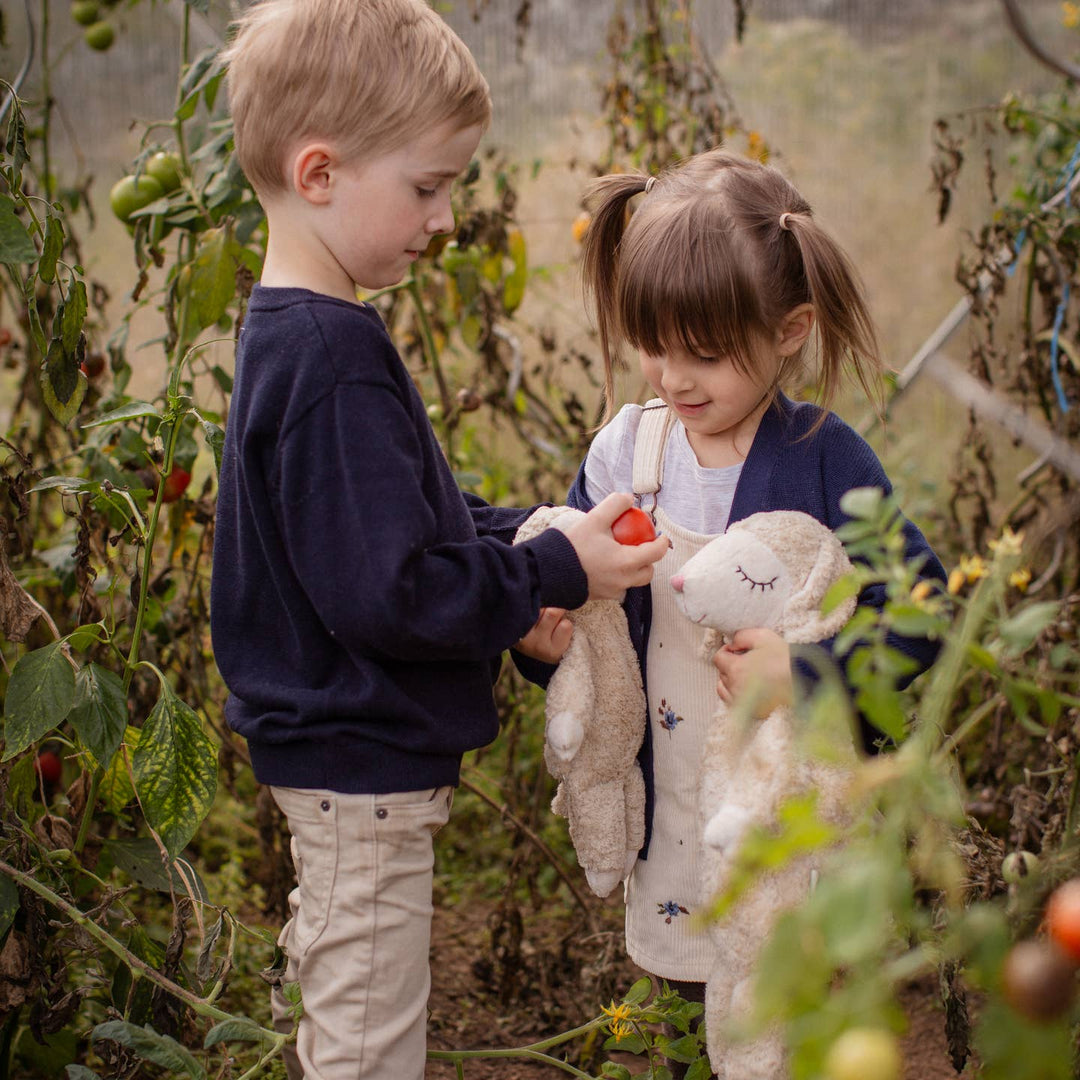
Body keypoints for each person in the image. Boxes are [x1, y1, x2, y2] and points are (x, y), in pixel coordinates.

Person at [210, 3, 669, 1079]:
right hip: (360, 773)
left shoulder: (297, 329)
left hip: (345, 769)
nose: (446, 217)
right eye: (427, 186)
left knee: (353, 1015)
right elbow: (393, 592)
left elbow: (395, 521)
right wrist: (551, 569)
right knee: (368, 1049)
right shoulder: (333, 360)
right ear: (319, 172)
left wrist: (531, 537)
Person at [518, 149, 946, 1074]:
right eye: (652, 344)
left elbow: (923, 611)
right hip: (670, 811)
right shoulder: (627, 454)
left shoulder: (824, 459)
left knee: (782, 1014)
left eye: (705, 354)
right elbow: (584, 609)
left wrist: (809, 671)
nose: (673, 377)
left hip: (784, 816)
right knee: (677, 1008)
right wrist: (546, 640)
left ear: (789, 331)